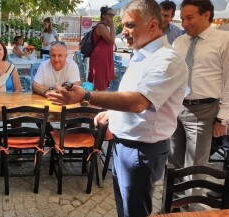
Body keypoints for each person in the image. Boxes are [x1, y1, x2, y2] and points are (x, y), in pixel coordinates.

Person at [47, 0, 188, 216]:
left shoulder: (167, 59)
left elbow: (139, 101)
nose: (124, 32)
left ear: (152, 25)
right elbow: (132, 97)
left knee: (134, 211)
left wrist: (86, 95)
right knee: (125, 208)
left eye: (130, 25)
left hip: (141, 150)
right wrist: (111, 112)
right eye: (123, 26)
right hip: (125, 147)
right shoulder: (141, 55)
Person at [169, 0, 229, 199]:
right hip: (176, 107)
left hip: (204, 110)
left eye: (189, 17)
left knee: (195, 165)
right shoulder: (179, 42)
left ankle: (192, 207)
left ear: (207, 15)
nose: (184, 24)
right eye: (183, 18)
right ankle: (174, 204)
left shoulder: (224, 40)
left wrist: (222, 118)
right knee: (173, 161)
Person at [87, 6, 115, 91]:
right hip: (100, 57)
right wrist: (112, 26)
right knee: (99, 82)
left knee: (102, 82)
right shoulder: (101, 26)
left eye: (112, 15)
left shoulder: (106, 27)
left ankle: (99, 101)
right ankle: (97, 102)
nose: (111, 17)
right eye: (109, 15)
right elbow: (111, 40)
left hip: (105, 56)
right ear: (103, 15)